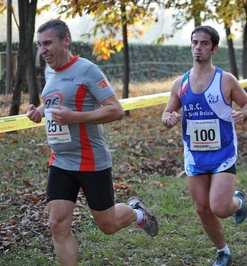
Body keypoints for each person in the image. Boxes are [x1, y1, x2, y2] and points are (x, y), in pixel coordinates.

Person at [26, 19, 158, 266]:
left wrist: (76, 117)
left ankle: (139, 213)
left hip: (91, 160)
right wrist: (41, 111)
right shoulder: (49, 70)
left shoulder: (88, 70)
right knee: (57, 223)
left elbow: (115, 110)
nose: (42, 50)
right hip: (61, 160)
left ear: (66, 41)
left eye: (47, 43)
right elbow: (56, 100)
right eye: (39, 44)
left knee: (108, 225)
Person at [161, 25, 247, 266]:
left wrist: (243, 114)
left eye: (204, 43)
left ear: (214, 48)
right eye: (194, 43)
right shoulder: (180, 83)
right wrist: (169, 119)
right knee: (203, 208)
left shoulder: (225, 80)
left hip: (223, 152)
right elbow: (166, 114)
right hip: (194, 156)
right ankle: (223, 251)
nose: (198, 48)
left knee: (221, 208)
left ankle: (239, 202)